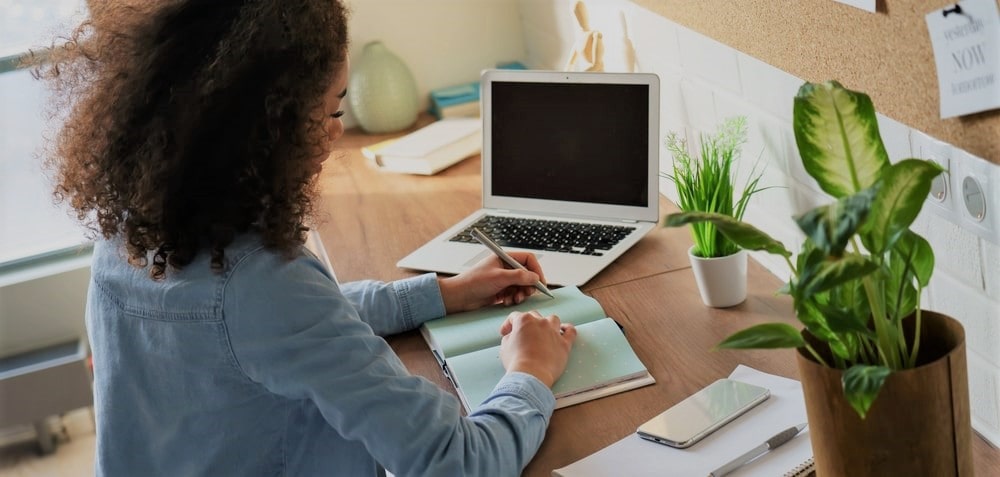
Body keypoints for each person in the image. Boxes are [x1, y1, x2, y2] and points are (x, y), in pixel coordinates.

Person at [37, 1, 577, 475]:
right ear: (268, 127)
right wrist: (530, 369)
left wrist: (443, 293)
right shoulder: (261, 280)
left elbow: (277, 331)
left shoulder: (131, 228)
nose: (337, 130)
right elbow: (456, 463)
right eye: (332, 109)